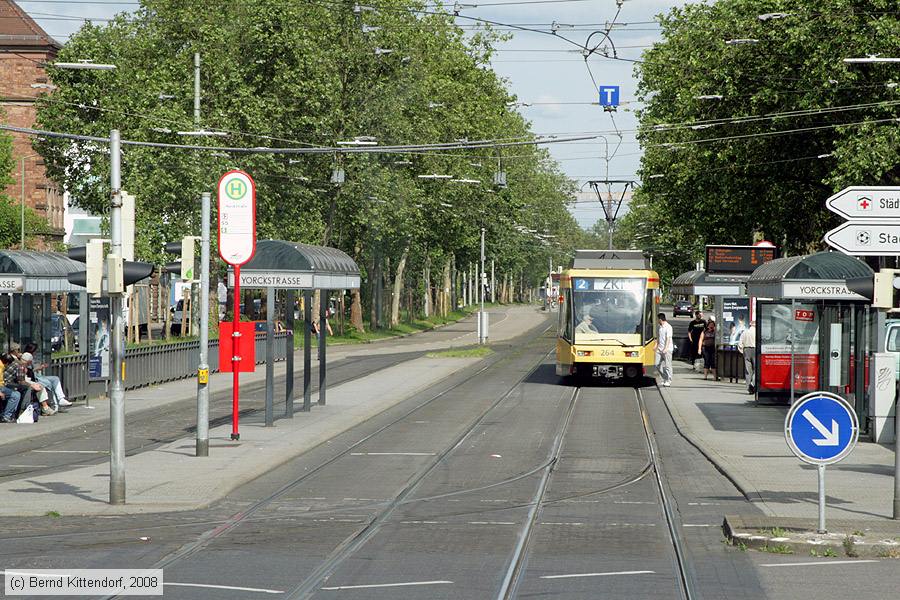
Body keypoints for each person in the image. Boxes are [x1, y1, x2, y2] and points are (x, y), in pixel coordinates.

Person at [738, 319, 757, 395]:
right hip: (755, 350)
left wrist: (743, 351)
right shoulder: (757, 332)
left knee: (748, 370)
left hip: (746, 350)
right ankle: (753, 384)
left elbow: (740, 343)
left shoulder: (745, 332)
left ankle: (748, 387)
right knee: (756, 369)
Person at [657, 313, 673, 387]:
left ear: (660, 319)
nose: (657, 321)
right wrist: (656, 346)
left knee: (667, 365)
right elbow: (659, 338)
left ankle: (669, 380)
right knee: (656, 365)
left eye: (657, 319)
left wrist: (666, 348)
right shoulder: (660, 327)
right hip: (660, 349)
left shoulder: (668, 327)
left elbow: (668, 338)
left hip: (667, 349)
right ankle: (665, 378)